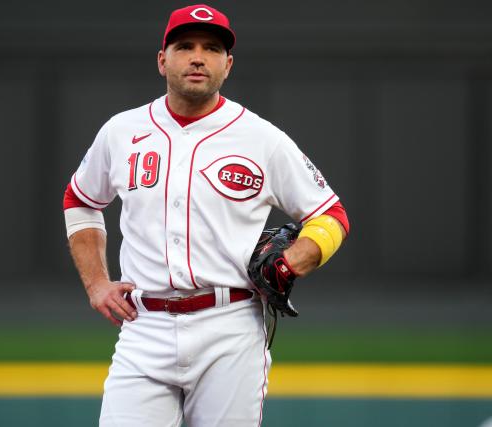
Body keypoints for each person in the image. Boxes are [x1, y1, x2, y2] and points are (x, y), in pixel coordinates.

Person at [63, 4, 350, 426]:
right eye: (185, 46)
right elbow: (81, 199)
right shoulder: (121, 132)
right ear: (162, 60)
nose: (198, 57)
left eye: (212, 48)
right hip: (145, 328)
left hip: (230, 328)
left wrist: (295, 260)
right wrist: (95, 283)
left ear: (228, 64)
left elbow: (332, 214)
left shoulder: (262, 139)